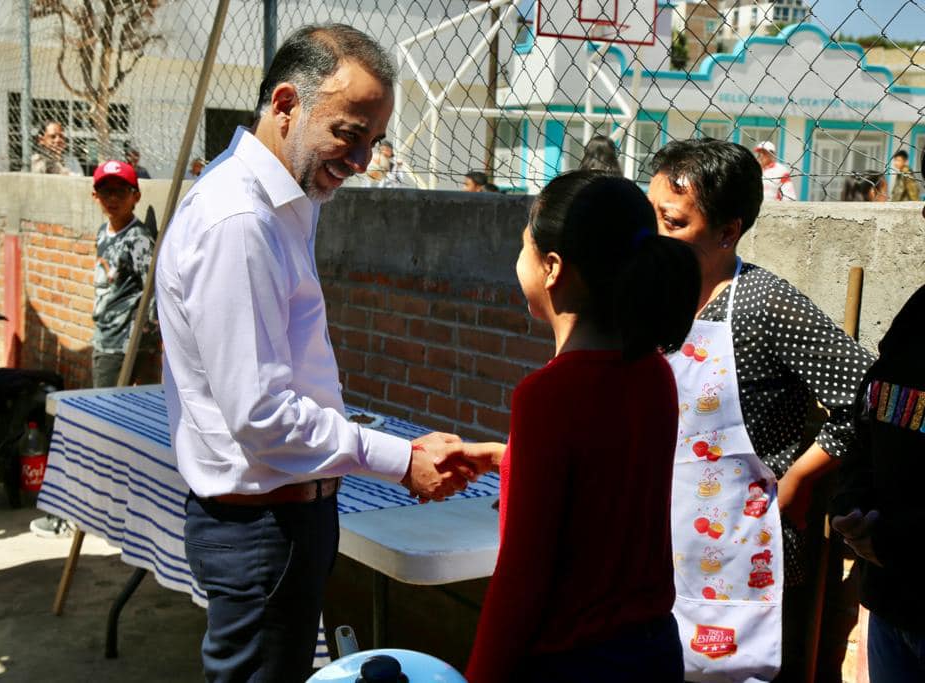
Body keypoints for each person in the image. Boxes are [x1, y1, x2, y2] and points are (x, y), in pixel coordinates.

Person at [155, 24, 474, 682]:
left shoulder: (285, 203)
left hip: (284, 519)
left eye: (374, 142)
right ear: (284, 105)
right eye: (349, 134)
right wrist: (399, 458)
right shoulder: (241, 222)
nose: (361, 161)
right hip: (262, 526)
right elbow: (263, 416)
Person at [647, 138, 874, 681]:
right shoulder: (653, 297)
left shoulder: (762, 303)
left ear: (728, 232)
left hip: (753, 551)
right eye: (650, 216)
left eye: (673, 223)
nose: (655, 236)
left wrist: (800, 476)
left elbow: (869, 398)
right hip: (668, 547)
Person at [463, 171, 699, 682]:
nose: (516, 261)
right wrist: (508, 459)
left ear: (552, 267)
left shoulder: (547, 397)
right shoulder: (653, 371)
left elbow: (521, 582)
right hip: (651, 654)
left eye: (523, 246)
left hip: (574, 663)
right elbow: (605, 478)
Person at [830, 150, 925, 682]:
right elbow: (870, 424)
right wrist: (853, 507)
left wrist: (889, 541)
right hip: (894, 605)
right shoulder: (919, 314)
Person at [88, 160, 159, 388]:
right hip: (105, 336)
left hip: (123, 344)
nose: (113, 199)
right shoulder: (103, 232)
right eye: (106, 192)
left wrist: (146, 338)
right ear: (95, 195)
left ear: (135, 197)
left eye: (120, 192)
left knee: (105, 414)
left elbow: (154, 291)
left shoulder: (138, 239)